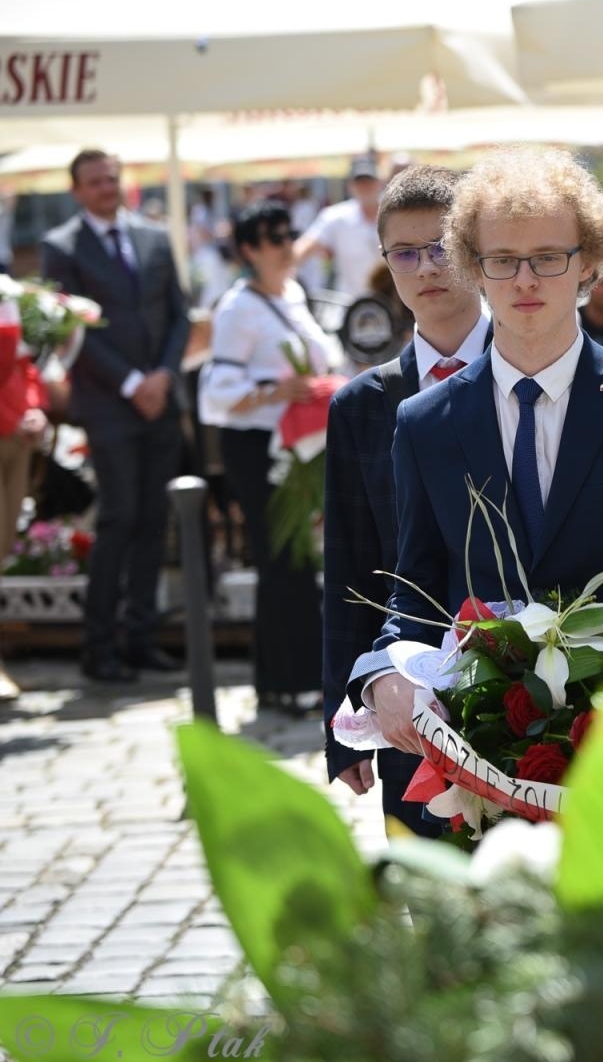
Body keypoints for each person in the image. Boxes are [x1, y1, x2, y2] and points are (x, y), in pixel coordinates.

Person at [347, 149, 603, 756]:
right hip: (476, 750)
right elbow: (415, 589)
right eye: (502, 261)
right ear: (472, 267)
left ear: (589, 264)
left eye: (548, 258)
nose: (525, 280)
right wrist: (382, 674)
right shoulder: (425, 422)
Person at [322, 166, 491, 835]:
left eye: (443, 245)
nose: (427, 267)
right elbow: (349, 567)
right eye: (405, 253)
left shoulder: (526, 375)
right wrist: (340, 716)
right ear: (384, 263)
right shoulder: (362, 405)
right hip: (405, 693)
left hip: (529, 685)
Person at [40, 149, 191, 683]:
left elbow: (178, 313)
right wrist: (131, 383)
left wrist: (164, 376)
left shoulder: (151, 236)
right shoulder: (61, 247)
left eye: (112, 178)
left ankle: (140, 640)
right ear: (76, 189)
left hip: (160, 401)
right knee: (119, 519)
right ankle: (97, 646)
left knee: (154, 522)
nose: (107, 187)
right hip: (108, 406)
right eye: (96, 181)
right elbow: (69, 331)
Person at [199, 200, 339, 714]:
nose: (286, 245)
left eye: (289, 234)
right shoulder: (238, 307)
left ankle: (289, 679)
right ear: (249, 250)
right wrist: (278, 390)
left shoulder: (294, 293)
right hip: (257, 446)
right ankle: (290, 680)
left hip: (297, 444)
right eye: (273, 237)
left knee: (297, 561)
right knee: (284, 560)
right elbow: (217, 389)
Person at [0, 326, 49, 701]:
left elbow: (23, 366)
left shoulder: (7, 302)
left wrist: (32, 408)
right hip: (8, 426)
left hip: (17, 438)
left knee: (3, 544)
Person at [294, 156, 384, 298]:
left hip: (395, 305)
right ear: (350, 186)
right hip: (351, 304)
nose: (365, 186)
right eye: (359, 182)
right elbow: (305, 246)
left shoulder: (393, 214)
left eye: (369, 181)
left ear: (379, 183)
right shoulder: (336, 217)